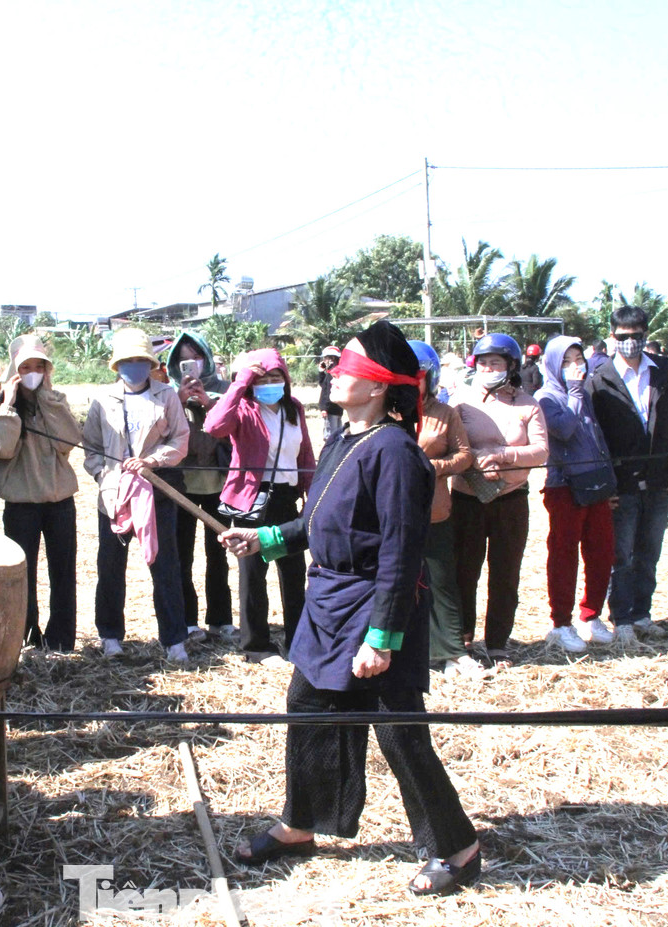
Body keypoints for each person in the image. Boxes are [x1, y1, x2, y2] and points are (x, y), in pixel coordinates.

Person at [222, 320, 481, 896]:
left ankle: (457, 848)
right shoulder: (343, 439)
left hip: (372, 609)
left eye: (350, 366)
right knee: (308, 706)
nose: (336, 372)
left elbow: (400, 552)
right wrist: (265, 541)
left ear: (380, 385)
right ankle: (300, 825)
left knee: (399, 732)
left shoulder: (395, 452)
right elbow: (319, 523)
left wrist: (382, 637)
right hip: (328, 603)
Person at [585, 305, 668, 644]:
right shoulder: (600, 379)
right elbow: (594, 434)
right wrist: (603, 482)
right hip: (622, 480)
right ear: (613, 336)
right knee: (622, 554)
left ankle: (642, 613)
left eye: (636, 336)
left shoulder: (663, 371)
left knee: (650, 551)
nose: (630, 342)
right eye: (623, 336)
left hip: (659, 476)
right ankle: (623, 617)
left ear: (646, 334)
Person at [83, 329, 191, 661]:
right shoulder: (102, 400)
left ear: (150, 363)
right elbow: (92, 448)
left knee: (166, 565)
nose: (134, 365)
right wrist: (105, 476)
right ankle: (111, 636)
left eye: (141, 360)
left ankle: (174, 640)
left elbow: (180, 439)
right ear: (116, 365)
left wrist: (152, 461)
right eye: (128, 360)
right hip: (115, 496)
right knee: (110, 566)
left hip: (156, 492)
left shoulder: (166, 395)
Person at [204, 348, 315, 665]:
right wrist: (240, 384)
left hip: (285, 498)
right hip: (251, 501)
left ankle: (299, 641)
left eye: (275, 377)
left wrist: (310, 491)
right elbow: (214, 427)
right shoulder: (243, 407)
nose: (269, 383)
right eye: (261, 378)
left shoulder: (293, 408)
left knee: (294, 572)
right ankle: (257, 647)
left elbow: (304, 451)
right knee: (253, 574)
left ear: (286, 380)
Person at [449, 333, 549, 664]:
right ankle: (463, 639)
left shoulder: (527, 404)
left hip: (512, 501)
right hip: (467, 500)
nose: (489, 368)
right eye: (483, 362)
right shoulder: (460, 402)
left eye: (496, 363)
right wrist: (475, 459)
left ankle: (497, 642)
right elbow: (448, 445)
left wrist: (503, 455)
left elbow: (541, 451)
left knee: (506, 574)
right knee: (464, 572)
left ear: (511, 366)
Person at [0, 335, 83, 651]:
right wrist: (8, 404)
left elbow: (69, 441)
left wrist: (47, 400)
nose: (32, 372)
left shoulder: (55, 400)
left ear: (46, 369)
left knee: (63, 573)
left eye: (37, 366)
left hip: (59, 502)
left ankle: (61, 640)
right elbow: (2, 450)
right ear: (14, 370)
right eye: (25, 366)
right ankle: (27, 636)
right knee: (22, 575)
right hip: (21, 503)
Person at [536, 336, 617, 652]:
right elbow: (565, 429)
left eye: (579, 359)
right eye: (567, 361)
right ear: (554, 364)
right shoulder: (546, 397)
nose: (575, 367)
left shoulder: (584, 393)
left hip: (596, 483)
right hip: (564, 486)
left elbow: (596, 436)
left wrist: (610, 479)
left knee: (601, 552)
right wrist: (574, 391)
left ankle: (592, 614)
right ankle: (561, 623)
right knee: (564, 554)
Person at [408, 340, 483, 679]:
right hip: (393, 514)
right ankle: (407, 650)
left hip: (435, 510)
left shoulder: (445, 413)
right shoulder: (387, 413)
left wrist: (433, 467)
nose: (411, 382)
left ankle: (453, 651)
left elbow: (464, 455)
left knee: (441, 581)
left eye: (417, 376)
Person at [164, 333, 234, 640]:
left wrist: (208, 404)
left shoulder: (225, 391)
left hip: (219, 485)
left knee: (218, 555)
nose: (191, 366)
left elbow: (232, 430)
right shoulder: (167, 393)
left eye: (196, 357)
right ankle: (187, 621)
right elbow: (160, 430)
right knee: (182, 556)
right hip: (181, 486)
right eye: (184, 360)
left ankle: (220, 619)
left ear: (206, 357)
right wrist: (178, 400)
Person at [316, 345, 344, 442]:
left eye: (326, 358)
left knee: (330, 436)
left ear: (331, 358)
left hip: (330, 409)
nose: (324, 360)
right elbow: (324, 384)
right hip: (338, 408)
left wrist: (324, 408)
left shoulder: (333, 372)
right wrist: (321, 372)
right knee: (338, 434)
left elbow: (326, 391)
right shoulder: (337, 370)